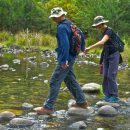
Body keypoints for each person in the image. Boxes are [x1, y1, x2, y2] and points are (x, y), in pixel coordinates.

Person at [36, 7, 88, 114]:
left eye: (55, 17)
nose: (54, 19)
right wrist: (82, 48)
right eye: (53, 17)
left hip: (66, 58)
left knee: (54, 81)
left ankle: (48, 107)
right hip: (73, 55)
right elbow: (81, 35)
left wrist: (64, 61)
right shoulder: (71, 24)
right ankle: (82, 102)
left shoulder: (61, 27)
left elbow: (65, 45)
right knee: (70, 79)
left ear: (60, 16)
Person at [85, 16, 120, 103]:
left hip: (114, 55)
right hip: (106, 55)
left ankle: (114, 96)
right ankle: (107, 95)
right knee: (105, 76)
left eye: (97, 25)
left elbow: (102, 42)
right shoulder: (103, 31)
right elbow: (105, 46)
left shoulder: (109, 31)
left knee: (111, 75)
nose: (96, 27)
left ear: (101, 24)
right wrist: (102, 61)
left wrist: (89, 47)